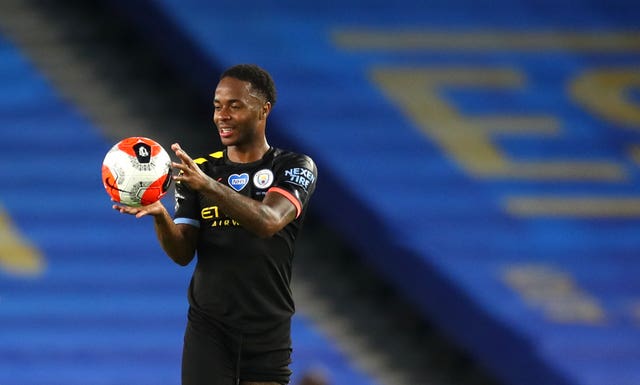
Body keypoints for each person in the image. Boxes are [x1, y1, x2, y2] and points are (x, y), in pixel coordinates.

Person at [113, 64, 317, 385]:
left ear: (264, 110)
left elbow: (269, 221)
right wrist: (160, 215)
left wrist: (209, 186)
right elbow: (182, 252)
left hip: (268, 330)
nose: (222, 115)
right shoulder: (201, 170)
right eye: (217, 106)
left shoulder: (293, 166)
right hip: (210, 327)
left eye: (235, 106)